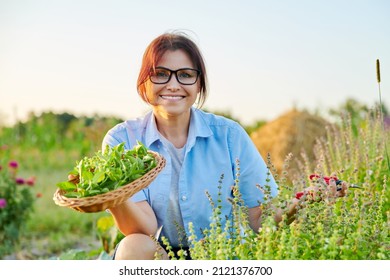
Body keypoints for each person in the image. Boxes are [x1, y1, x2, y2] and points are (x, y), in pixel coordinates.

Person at [102, 31, 347, 260]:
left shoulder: (229, 136)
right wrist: (112, 194)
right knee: (133, 247)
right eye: (161, 73)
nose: (173, 84)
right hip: (161, 258)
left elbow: (260, 219)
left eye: (186, 75)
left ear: (199, 84)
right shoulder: (122, 141)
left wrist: (304, 199)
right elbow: (143, 229)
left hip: (219, 255)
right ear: (144, 83)